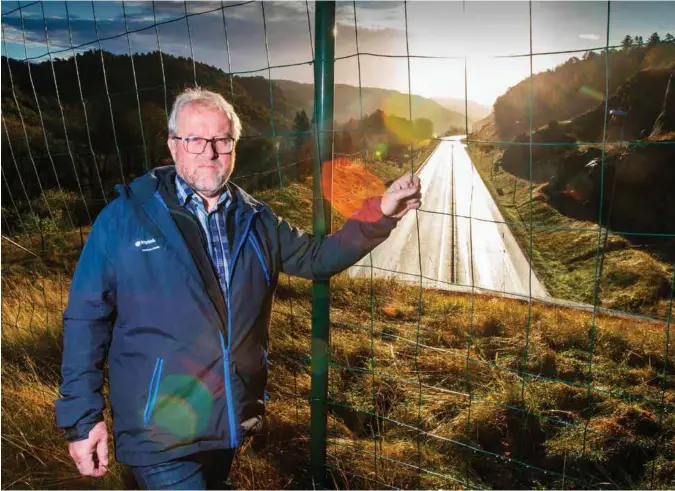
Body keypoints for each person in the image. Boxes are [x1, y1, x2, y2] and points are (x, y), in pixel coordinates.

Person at [55, 87, 422, 489]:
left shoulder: (255, 219)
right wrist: (81, 416)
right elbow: (86, 317)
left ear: (235, 146)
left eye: (222, 140)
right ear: (173, 146)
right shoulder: (126, 218)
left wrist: (380, 213)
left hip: (227, 418)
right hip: (157, 432)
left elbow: (318, 258)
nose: (209, 152)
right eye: (195, 139)